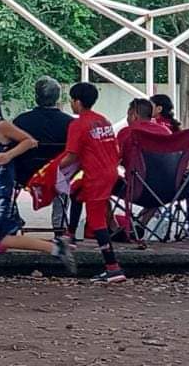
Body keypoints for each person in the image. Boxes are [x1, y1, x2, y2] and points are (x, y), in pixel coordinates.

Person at [0, 80, 75, 303]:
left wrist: (9, 155)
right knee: (2, 238)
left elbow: (29, 141)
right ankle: (54, 248)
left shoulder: (0, 125)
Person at [61, 82, 126, 284]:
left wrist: (52, 169)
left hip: (96, 176)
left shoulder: (78, 124)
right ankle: (70, 236)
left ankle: (113, 267)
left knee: (97, 221)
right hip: (110, 172)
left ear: (78, 102)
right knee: (76, 191)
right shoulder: (103, 121)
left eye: (72, 100)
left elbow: (72, 156)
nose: (71, 104)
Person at [13, 76, 78, 238]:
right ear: (58, 97)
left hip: (25, 175)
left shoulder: (21, 121)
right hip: (57, 175)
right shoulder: (70, 123)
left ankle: (13, 220)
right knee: (64, 179)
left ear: (36, 96)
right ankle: (59, 227)